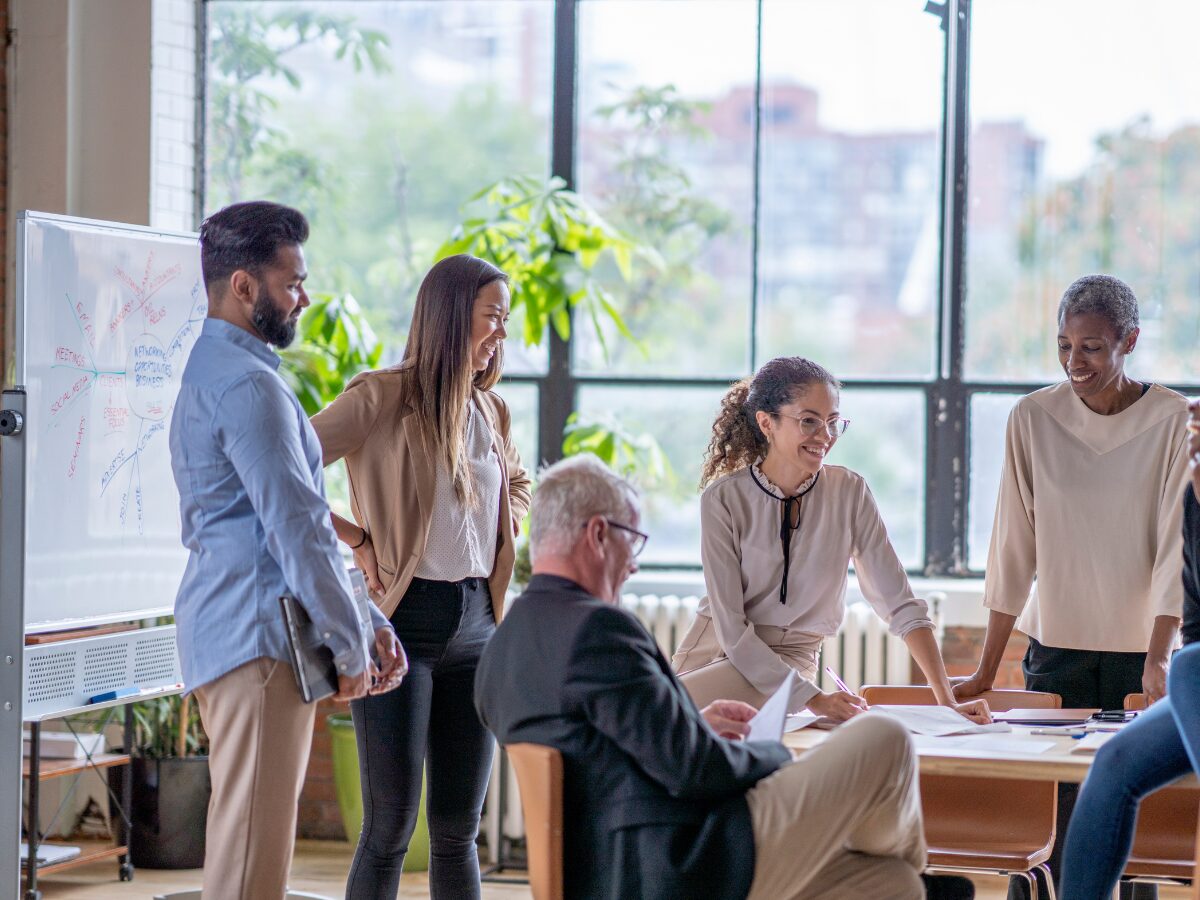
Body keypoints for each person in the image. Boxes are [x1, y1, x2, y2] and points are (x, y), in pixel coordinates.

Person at [475, 454, 932, 900]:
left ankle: (915, 878)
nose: (633, 564)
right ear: (598, 534)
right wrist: (774, 753)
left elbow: (600, 757)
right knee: (884, 735)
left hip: (607, 875)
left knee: (893, 885)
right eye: (632, 541)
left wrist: (690, 726)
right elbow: (696, 770)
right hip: (684, 863)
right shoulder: (599, 630)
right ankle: (909, 860)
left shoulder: (501, 648)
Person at [170, 201, 405, 900]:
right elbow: (298, 531)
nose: (303, 297)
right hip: (258, 645)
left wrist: (368, 623)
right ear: (244, 286)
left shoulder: (219, 370)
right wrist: (353, 645)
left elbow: (293, 528)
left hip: (244, 634)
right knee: (250, 868)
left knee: (251, 854)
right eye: (291, 282)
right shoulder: (248, 386)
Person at [952, 274, 1190, 899]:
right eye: (1063, 345)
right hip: (1055, 652)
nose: (1073, 361)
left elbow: (1176, 550)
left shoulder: (1171, 419)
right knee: (1057, 827)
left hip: (1143, 658)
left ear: (1129, 340)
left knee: (1132, 832)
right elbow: (1012, 547)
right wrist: (984, 670)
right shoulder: (1032, 418)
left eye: (1091, 347)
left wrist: (1160, 659)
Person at [309, 254, 531, 899]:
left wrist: (502, 524)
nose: (501, 333)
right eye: (493, 317)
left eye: (505, 320)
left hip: (478, 630)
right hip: (401, 627)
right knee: (389, 829)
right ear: (451, 315)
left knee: (460, 831)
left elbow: (515, 484)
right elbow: (282, 463)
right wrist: (355, 537)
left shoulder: (491, 411)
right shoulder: (380, 395)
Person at [672, 356, 989, 724]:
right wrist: (816, 700)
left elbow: (900, 604)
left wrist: (946, 700)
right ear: (766, 423)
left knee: (656, 728)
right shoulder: (723, 499)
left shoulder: (849, 492)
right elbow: (732, 631)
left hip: (791, 664)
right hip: (714, 653)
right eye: (809, 421)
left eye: (833, 422)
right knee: (652, 729)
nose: (824, 436)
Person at [1059, 398, 1200, 899]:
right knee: (1115, 762)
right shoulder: (1194, 503)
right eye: (1195, 444)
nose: (1196, 456)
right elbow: (1197, 617)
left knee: (1188, 669)